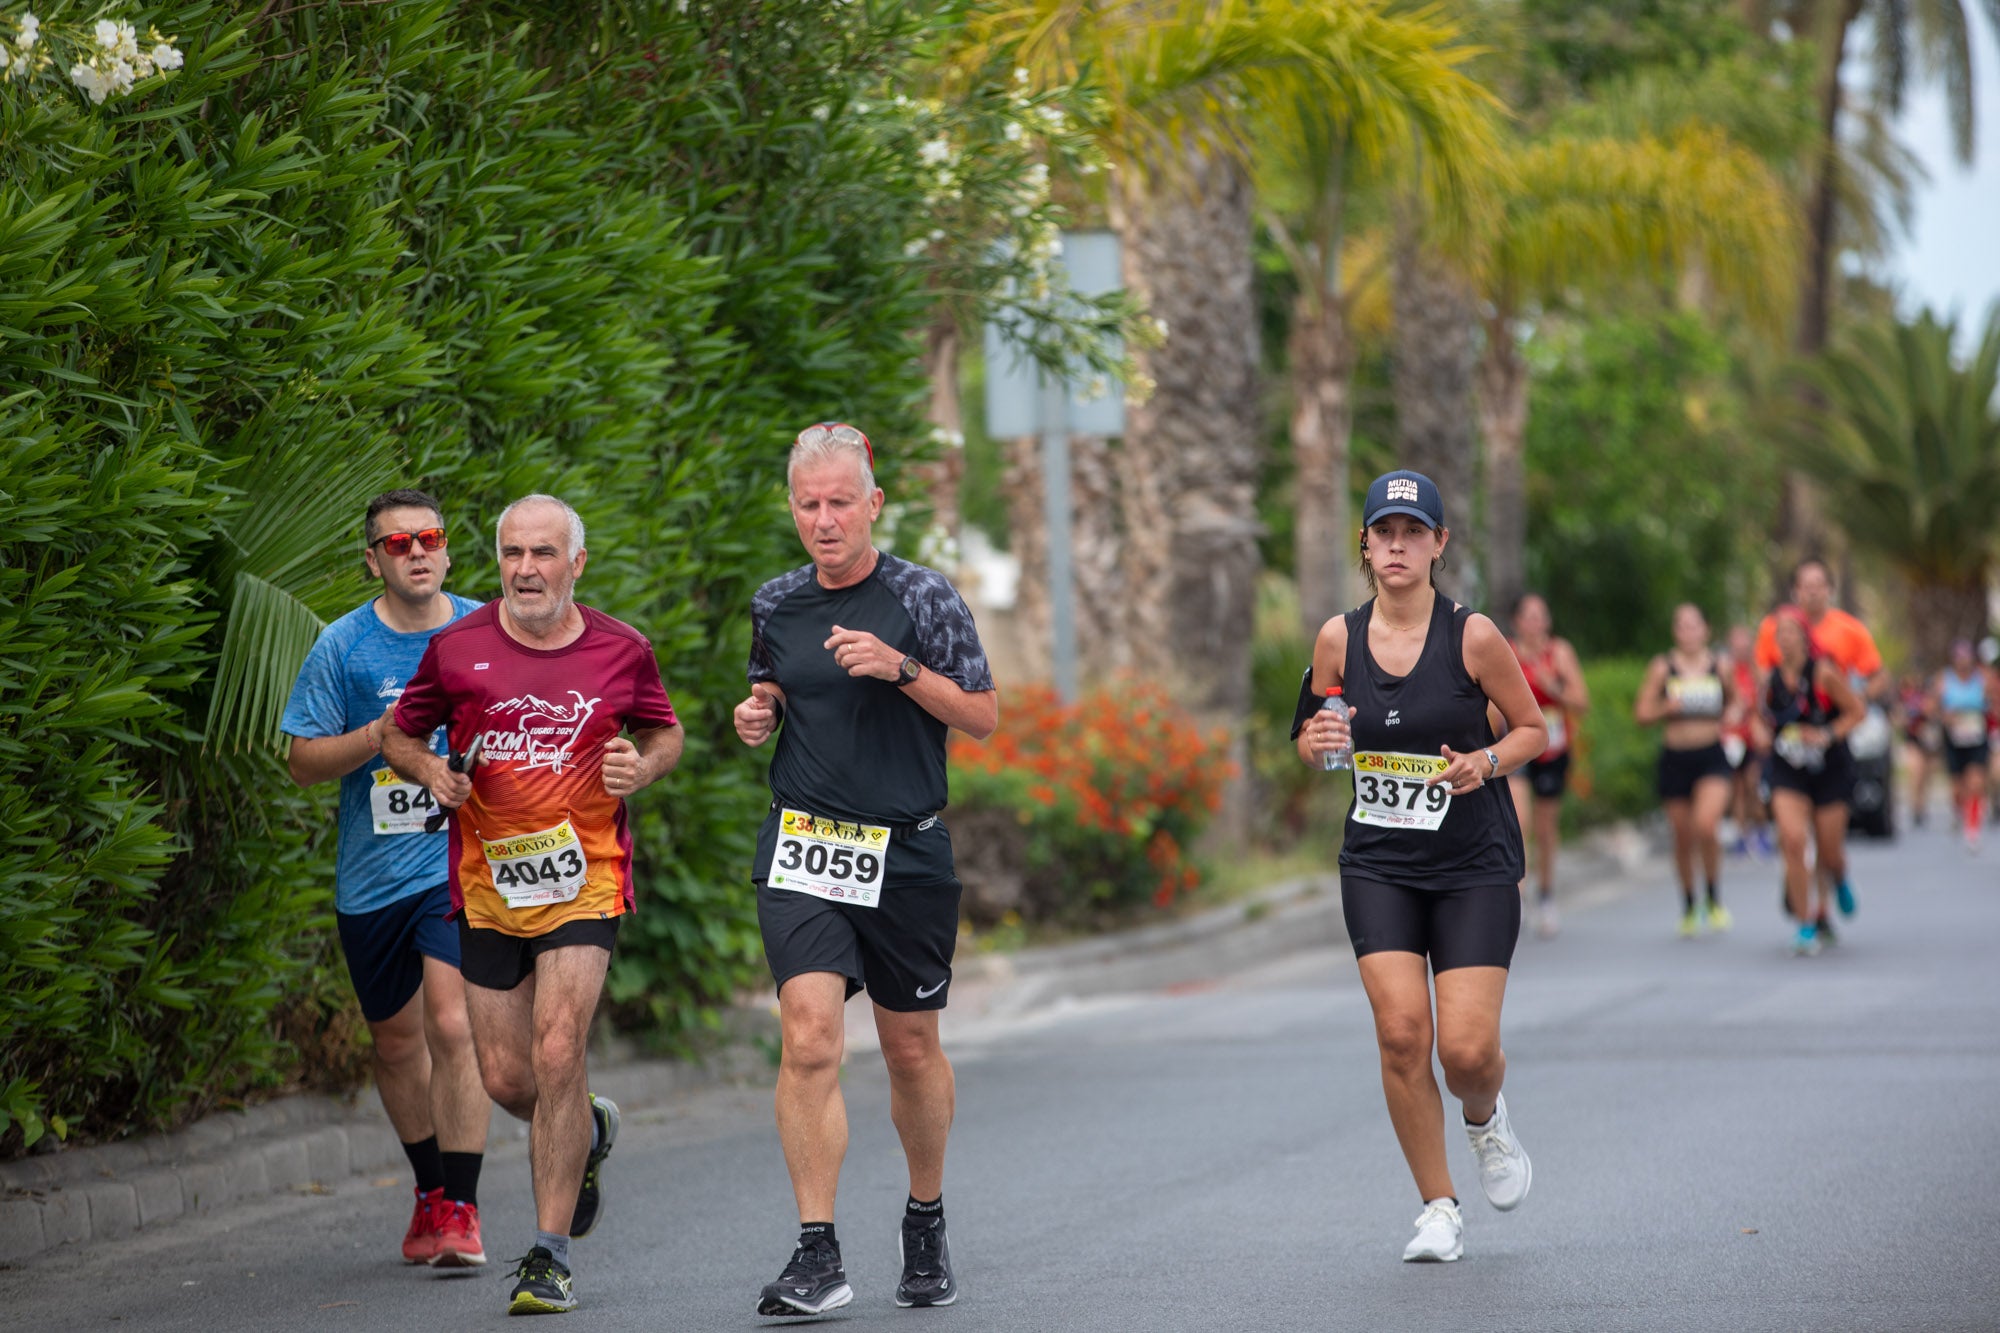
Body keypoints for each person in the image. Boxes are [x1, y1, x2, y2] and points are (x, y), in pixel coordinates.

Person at [384, 494, 683, 1316]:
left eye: (543, 553)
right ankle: (586, 1126)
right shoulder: (456, 650)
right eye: (512, 553)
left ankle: (547, 1256)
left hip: (586, 875)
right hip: (488, 887)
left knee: (557, 1049)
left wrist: (642, 768)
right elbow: (400, 734)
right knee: (510, 1077)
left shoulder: (623, 648)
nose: (525, 569)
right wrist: (431, 773)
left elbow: (665, 732)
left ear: (575, 562)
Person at [733, 422, 998, 1318]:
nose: (823, 518)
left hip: (906, 852)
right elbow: (772, 682)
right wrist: (759, 710)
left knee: (910, 1046)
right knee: (809, 1033)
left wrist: (900, 667)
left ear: (873, 503)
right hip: (806, 845)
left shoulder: (923, 596)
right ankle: (818, 1252)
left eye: (840, 501)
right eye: (808, 504)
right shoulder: (775, 603)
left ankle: (924, 1218)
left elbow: (985, 714)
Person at [1294, 469, 1544, 1265]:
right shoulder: (1337, 637)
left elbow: (1534, 728)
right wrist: (1318, 743)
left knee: (1465, 1051)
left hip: (1474, 862)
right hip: (1379, 862)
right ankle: (1438, 1205)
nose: (1397, 544)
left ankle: (1486, 1117)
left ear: (1439, 544)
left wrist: (1486, 760)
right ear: (1364, 545)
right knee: (1403, 1034)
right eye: (1383, 531)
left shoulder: (1473, 637)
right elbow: (1310, 730)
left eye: (1413, 531)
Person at [280, 489, 491, 1267]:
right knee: (397, 1043)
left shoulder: (485, 629)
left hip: (459, 864)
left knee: (450, 1020)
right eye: (396, 543)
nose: (416, 551)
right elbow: (302, 761)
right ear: (373, 559)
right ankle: (431, 1190)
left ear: (446, 549)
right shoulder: (343, 647)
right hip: (372, 878)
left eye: (428, 537)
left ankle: (464, 1209)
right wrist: (378, 735)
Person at [1754, 560, 1882, 934]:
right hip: (1788, 760)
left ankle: (1835, 880)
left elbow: (1870, 686)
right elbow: (1761, 699)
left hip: (1829, 755)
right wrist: (1762, 728)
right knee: (1793, 840)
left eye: (1818, 584)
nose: (1785, 639)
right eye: (1804, 585)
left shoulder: (1843, 639)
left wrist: (1830, 728)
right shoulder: (1770, 640)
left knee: (1828, 849)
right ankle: (1806, 916)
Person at [1635, 604, 1737, 936]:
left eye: (1695, 625)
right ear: (1675, 631)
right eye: (1682, 626)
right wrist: (1666, 707)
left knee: (1706, 826)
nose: (1689, 632)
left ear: (1706, 630)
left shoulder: (1720, 665)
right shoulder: (1663, 667)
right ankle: (1690, 904)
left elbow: (1736, 701)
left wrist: (1734, 714)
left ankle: (1714, 896)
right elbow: (1642, 713)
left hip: (1711, 756)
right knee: (1682, 837)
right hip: (1676, 758)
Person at [1506, 593, 1589, 938]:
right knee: (1518, 822)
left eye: (1540, 616)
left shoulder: (1560, 653)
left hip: (1553, 748)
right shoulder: (1506, 652)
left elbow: (1582, 702)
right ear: (1517, 622)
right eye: (1528, 617)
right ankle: (1519, 898)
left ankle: (1547, 895)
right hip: (1517, 745)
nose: (1534, 623)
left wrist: (1550, 685)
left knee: (1545, 828)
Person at [1929, 640, 1990, 852]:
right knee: (1958, 789)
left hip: (1976, 738)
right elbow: (1930, 708)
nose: (1963, 662)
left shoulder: (1983, 678)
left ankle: (1972, 831)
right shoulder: (1943, 680)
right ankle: (1958, 811)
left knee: (1975, 783)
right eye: (1959, 657)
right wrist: (1944, 716)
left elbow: (1994, 702)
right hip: (1954, 740)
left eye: (1967, 657)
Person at [1722, 623, 1772, 856]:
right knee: (1737, 788)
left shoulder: (1758, 672)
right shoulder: (1725, 671)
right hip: (1733, 738)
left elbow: (1767, 702)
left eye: (1744, 641)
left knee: (1754, 785)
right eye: (1736, 642)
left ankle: (1761, 831)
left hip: (1755, 739)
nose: (1741, 647)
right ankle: (1742, 835)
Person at [1897, 671, 1940, 828]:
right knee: (1915, 773)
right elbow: (1900, 717)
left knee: (1926, 776)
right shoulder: (1907, 697)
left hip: (1929, 742)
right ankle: (1915, 806)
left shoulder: (1932, 696)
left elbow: (1935, 714)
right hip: (1913, 740)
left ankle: (1922, 804)